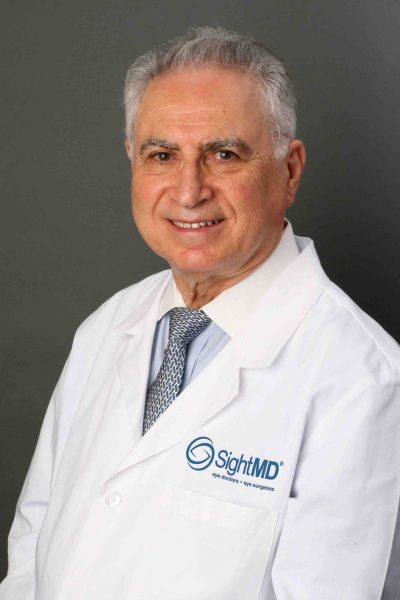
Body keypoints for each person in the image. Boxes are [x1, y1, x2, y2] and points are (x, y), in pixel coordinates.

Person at [1, 26, 399, 600]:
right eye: (162, 155)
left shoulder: (363, 379)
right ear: (132, 162)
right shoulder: (106, 327)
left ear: (290, 170)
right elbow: (33, 545)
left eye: (223, 154)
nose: (189, 191)